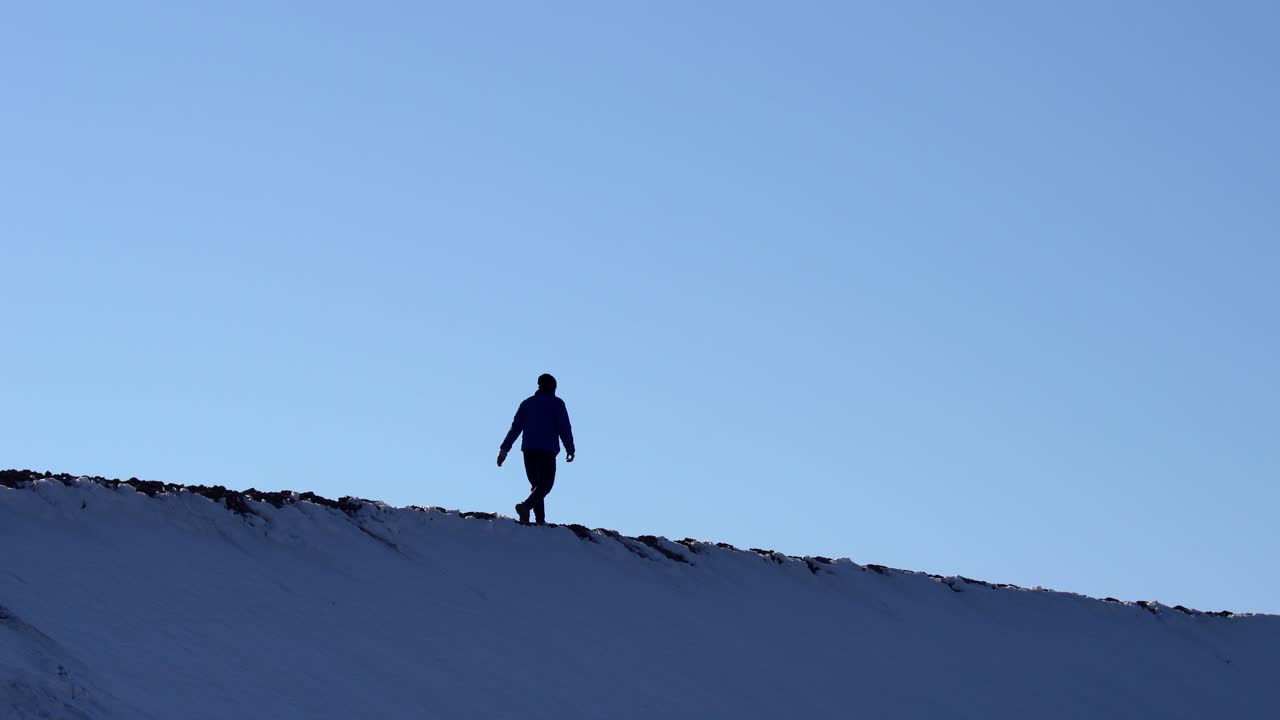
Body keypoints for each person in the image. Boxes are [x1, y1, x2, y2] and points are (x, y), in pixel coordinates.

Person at [497, 373, 575, 525]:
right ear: (553, 387)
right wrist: (570, 449)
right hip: (547, 450)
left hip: (529, 449)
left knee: (536, 484)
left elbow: (515, 428)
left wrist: (504, 450)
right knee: (546, 484)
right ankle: (526, 507)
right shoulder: (557, 404)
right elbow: (564, 427)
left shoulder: (527, 403)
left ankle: (539, 519)